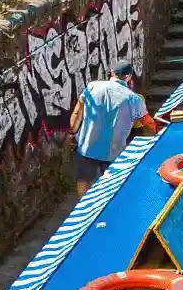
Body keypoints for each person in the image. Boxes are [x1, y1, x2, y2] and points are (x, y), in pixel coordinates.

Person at [69, 62, 162, 195]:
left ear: (112, 72)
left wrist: (72, 133)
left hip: (87, 148)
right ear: (129, 77)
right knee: (111, 188)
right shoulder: (134, 99)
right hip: (113, 153)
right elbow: (149, 123)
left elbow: (77, 113)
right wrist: (163, 133)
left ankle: (85, 207)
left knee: (84, 181)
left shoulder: (92, 87)